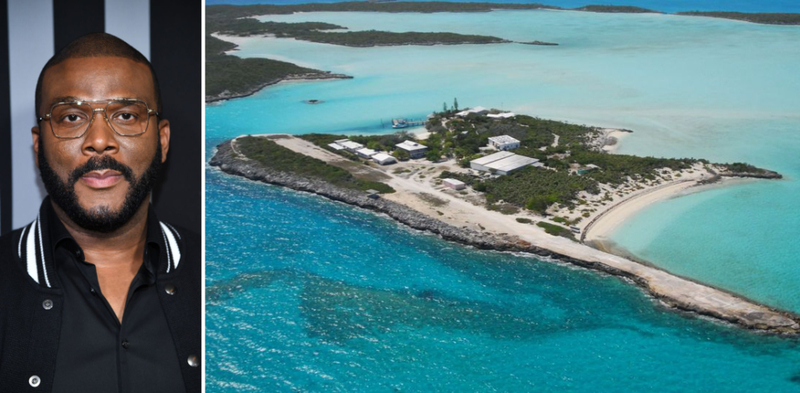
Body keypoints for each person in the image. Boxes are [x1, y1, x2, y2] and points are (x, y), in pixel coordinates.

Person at [0, 33, 200, 392]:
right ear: (37, 144)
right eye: (72, 117)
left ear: (163, 140)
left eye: (125, 115)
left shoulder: (215, 273)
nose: (99, 140)